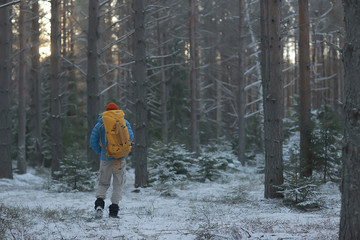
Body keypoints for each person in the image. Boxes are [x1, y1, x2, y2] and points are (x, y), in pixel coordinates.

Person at [90, 102, 134, 218]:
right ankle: (114, 211)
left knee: (103, 183)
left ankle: (99, 205)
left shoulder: (100, 124)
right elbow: (130, 137)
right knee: (118, 184)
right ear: (117, 111)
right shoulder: (124, 122)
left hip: (106, 158)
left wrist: (101, 152)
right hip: (120, 159)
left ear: (106, 111)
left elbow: (93, 141)